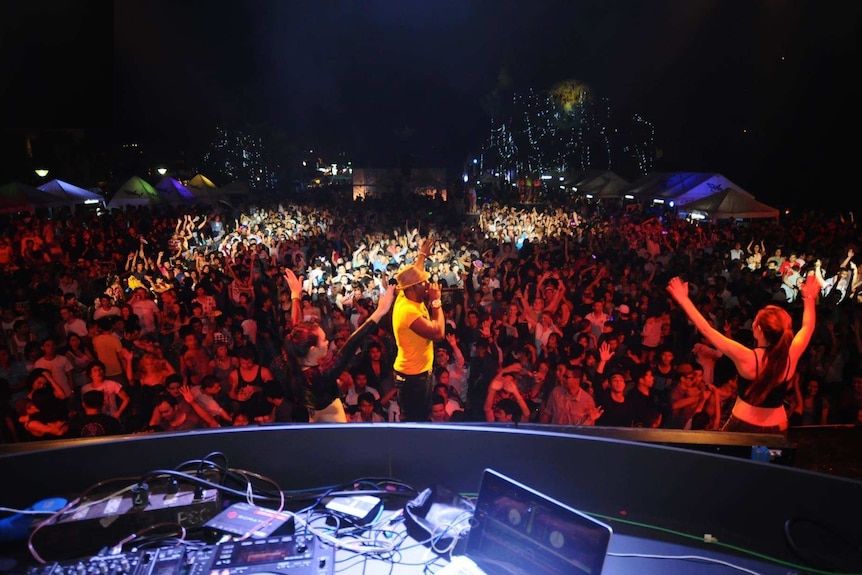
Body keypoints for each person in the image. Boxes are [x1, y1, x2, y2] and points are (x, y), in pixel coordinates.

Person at [667, 272, 819, 435]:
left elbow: (706, 329)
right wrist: (809, 297)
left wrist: (683, 298)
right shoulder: (790, 357)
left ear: (758, 329)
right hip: (777, 427)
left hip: (743, 426)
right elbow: (807, 327)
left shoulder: (747, 357)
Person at [283, 268, 396, 423]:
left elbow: (297, 326)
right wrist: (380, 311)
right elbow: (352, 344)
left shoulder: (297, 354)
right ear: (313, 349)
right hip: (331, 419)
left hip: (315, 414)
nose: (327, 342)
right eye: (323, 340)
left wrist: (295, 296)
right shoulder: (320, 375)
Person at [391, 237, 446, 422]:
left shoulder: (405, 295)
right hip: (413, 379)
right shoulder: (408, 311)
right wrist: (436, 302)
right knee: (415, 421)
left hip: (419, 373)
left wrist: (422, 255)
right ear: (414, 287)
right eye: (424, 283)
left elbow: (415, 273)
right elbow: (438, 333)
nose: (428, 285)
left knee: (421, 418)